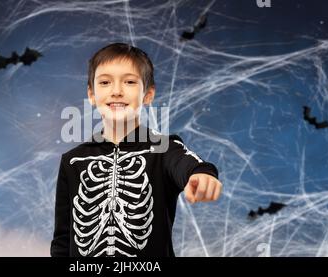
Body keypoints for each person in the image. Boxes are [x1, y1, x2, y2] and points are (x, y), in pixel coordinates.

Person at [51, 43, 222, 257]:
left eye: (130, 82)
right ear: (91, 94)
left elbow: (189, 165)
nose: (116, 91)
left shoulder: (164, 149)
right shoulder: (73, 161)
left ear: (148, 94)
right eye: (105, 82)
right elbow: (62, 240)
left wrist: (202, 174)